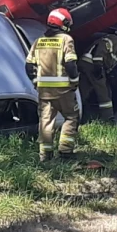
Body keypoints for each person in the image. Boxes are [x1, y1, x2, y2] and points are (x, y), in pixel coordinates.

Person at [25, 8, 80, 162]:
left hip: (44, 91)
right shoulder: (66, 39)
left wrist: (36, 82)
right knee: (71, 117)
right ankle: (65, 152)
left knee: (46, 121)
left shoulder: (39, 41)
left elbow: (29, 67)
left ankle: (45, 156)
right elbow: (70, 64)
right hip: (63, 90)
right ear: (63, 23)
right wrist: (75, 81)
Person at [78, 27, 117, 119]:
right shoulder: (113, 39)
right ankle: (108, 118)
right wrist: (98, 66)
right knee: (104, 91)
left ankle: (75, 113)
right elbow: (101, 50)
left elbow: (109, 62)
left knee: (84, 90)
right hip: (92, 65)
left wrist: (109, 73)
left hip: (88, 65)